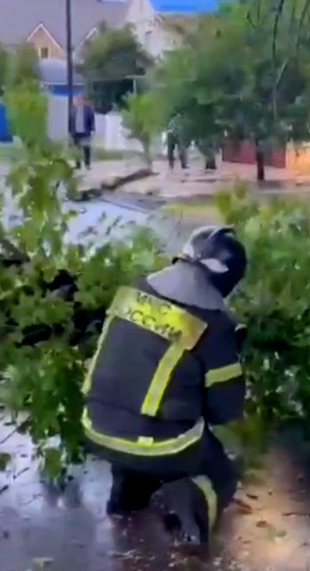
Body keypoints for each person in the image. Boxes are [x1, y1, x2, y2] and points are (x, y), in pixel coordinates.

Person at [80, 225, 249, 551]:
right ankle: (189, 513)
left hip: (95, 427)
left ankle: (127, 492)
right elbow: (224, 410)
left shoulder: (132, 290)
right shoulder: (215, 324)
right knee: (222, 475)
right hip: (159, 446)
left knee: (141, 419)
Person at [72, 96, 95, 170]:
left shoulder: (88, 109)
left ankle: (87, 164)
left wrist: (92, 129)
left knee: (86, 148)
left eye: (80, 100)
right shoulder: (73, 109)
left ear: (83, 101)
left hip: (85, 132)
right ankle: (77, 165)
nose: (78, 101)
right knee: (77, 149)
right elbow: (70, 120)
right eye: (77, 100)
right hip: (76, 132)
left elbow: (92, 119)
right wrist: (70, 130)